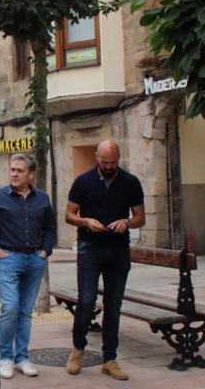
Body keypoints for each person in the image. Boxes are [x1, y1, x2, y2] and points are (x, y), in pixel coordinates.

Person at [64, 140, 145, 381]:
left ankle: (109, 358)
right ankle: (78, 349)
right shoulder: (83, 181)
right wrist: (85, 221)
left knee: (113, 305)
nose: (108, 167)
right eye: (104, 162)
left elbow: (140, 217)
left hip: (118, 249)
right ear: (96, 157)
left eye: (113, 162)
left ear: (118, 159)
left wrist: (127, 222)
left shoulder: (130, 182)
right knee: (86, 300)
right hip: (90, 247)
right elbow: (69, 214)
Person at [0, 154, 57, 379]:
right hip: (9, 258)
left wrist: (45, 251)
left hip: (34, 259)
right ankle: (5, 357)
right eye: (12, 169)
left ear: (31, 175)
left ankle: (21, 357)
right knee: (10, 307)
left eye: (19, 171)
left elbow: (50, 227)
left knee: (25, 311)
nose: (14, 174)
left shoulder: (42, 198)